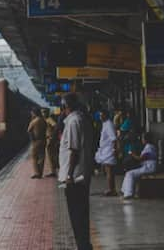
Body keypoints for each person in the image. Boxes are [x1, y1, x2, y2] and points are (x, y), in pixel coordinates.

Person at [58, 92, 93, 250]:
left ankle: (83, 247)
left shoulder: (73, 122)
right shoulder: (81, 119)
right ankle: (85, 245)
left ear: (66, 106)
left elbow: (74, 150)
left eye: (62, 106)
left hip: (75, 178)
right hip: (81, 175)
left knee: (77, 215)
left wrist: (69, 175)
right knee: (81, 214)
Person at [121, 132, 157, 199]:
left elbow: (140, 158)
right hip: (147, 167)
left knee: (130, 174)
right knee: (129, 173)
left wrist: (131, 154)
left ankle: (128, 194)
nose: (142, 140)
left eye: (143, 138)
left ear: (146, 139)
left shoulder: (149, 147)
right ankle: (124, 191)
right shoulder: (149, 146)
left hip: (149, 168)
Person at [94, 110, 118, 196]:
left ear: (105, 115)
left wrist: (115, 150)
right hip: (105, 150)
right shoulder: (105, 124)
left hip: (109, 151)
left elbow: (114, 139)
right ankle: (111, 188)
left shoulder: (109, 125)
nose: (100, 117)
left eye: (101, 115)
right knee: (108, 171)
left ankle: (112, 190)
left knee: (109, 171)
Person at [27, 107, 47, 179]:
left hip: (36, 141)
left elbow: (29, 131)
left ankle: (36, 172)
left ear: (34, 113)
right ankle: (40, 173)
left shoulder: (34, 121)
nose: (31, 114)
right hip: (43, 140)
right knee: (42, 156)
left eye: (32, 113)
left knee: (34, 156)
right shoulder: (43, 120)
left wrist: (32, 140)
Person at [42, 108, 58, 177]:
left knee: (51, 155)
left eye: (44, 112)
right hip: (48, 138)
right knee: (50, 155)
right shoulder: (45, 120)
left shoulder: (49, 119)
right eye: (42, 112)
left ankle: (53, 172)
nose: (43, 113)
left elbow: (55, 126)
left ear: (47, 113)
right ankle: (53, 170)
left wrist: (52, 136)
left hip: (50, 139)